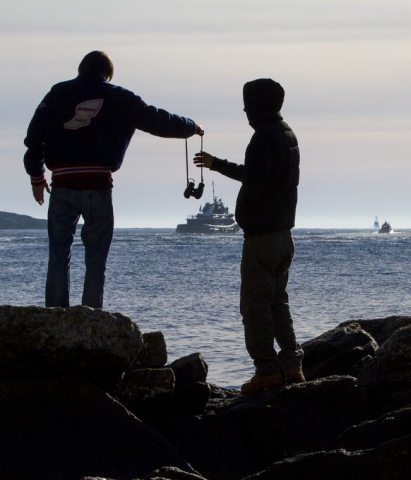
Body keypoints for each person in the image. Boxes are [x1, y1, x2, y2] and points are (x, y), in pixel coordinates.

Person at [23, 50, 203, 309]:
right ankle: (92, 319)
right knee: (96, 262)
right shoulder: (119, 97)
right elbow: (157, 120)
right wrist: (190, 126)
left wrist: (36, 176)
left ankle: (55, 317)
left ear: (80, 69)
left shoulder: (56, 93)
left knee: (58, 258)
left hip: (62, 185)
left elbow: (34, 137)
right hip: (98, 186)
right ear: (107, 74)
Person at [193, 78, 304, 394]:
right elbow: (260, 176)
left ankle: (267, 371)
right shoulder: (287, 135)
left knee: (255, 308)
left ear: (256, 106)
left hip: (262, 237)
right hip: (283, 235)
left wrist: (245, 211)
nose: (245, 111)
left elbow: (254, 182)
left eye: (247, 105)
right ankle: (293, 367)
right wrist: (216, 165)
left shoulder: (262, 138)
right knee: (278, 303)